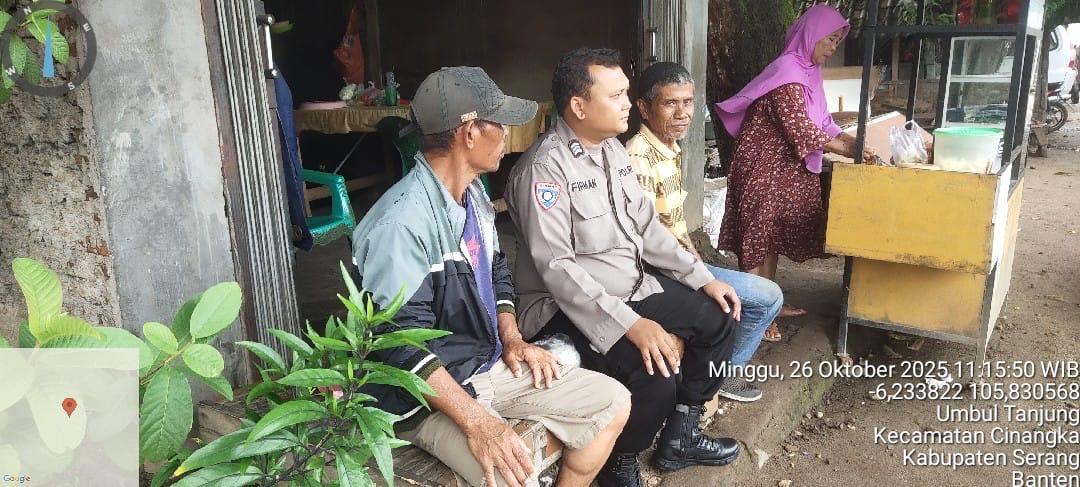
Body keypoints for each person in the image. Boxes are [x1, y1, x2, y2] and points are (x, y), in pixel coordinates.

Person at [352, 66, 631, 487]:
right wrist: (478, 422)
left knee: (613, 403)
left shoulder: (474, 194)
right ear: (469, 133)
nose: (507, 135)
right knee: (509, 474)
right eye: (499, 124)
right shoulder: (401, 225)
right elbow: (401, 347)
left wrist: (513, 339)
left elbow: (497, 273)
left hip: (484, 362)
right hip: (421, 399)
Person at [505, 48, 741, 487]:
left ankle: (681, 434)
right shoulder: (544, 170)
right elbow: (558, 270)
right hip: (566, 307)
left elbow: (648, 229)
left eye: (625, 93)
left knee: (720, 316)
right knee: (655, 376)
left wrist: (703, 277)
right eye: (615, 96)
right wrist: (632, 325)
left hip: (631, 286)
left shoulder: (612, 151)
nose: (629, 104)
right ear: (579, 106)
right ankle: (619, 462)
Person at [714, 5, 876, 341]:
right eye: (829, 40)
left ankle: (769, 303)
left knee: (771, 236)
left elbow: (823, 120)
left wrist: (852, 140)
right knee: (757, 237)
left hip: (784, 167)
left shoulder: (810, 72)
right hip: (762, 166)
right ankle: (754, 314)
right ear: (811, 35)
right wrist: (848, 150)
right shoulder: (787, 71)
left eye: (837, 41)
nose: (832, 48)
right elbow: (800, 128)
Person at [626, 61, 783, 403]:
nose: (682, 113)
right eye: (670, 103)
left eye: (688, 102)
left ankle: (718, 370)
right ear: (644, 108)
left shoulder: (668, 148)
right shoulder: (638, 158)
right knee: (766, 298)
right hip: (660, 271)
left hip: (680, 263)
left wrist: (698, 263)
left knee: (761, 297)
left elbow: (675, 227)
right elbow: (647, 240)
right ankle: (720, 375)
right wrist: (699, 276)